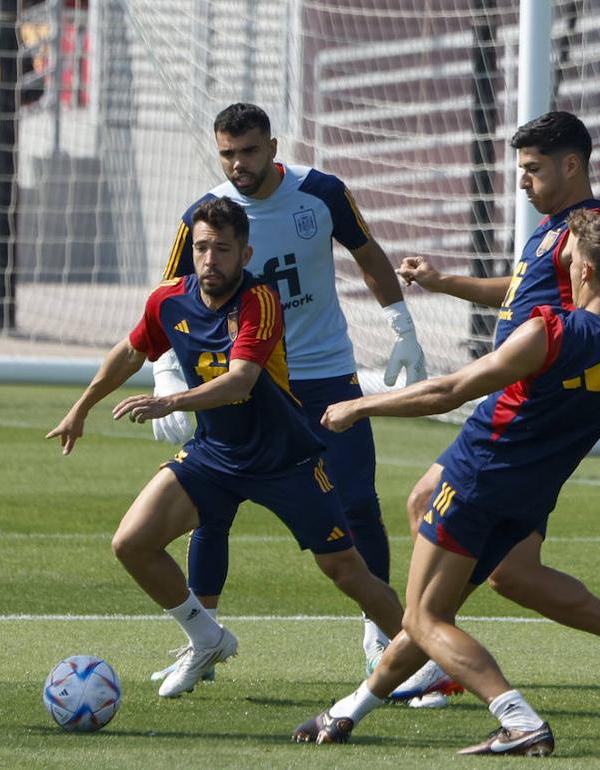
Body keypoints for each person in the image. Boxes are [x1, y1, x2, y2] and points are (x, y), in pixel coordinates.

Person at [291, 210, 600, 756]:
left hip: (474, 481)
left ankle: (517, 718)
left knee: (423, 616)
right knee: (434, 616)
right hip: (528, 501)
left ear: (581, 269)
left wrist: (358, 406)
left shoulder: (550, 330)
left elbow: (451, 390)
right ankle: (347, 712)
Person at [47, 197, 406, 699]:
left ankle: (421, 654)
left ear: (244, 252)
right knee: (132, 542)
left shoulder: (259, 301)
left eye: (221, 248)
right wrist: (81, 407)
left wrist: (171, 399)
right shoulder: (169, 299)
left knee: (344, 569)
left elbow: (241, 382)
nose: (209, 259)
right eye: (201, 248)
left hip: (286, 458)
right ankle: (206, 637)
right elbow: (131, 351)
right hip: (215, 455)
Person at [150, 102, 442, 698]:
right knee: (212, 510)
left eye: (250, 151)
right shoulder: (207, 217)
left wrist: (401, 326)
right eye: (228, 153)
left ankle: (381, 636)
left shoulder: (321, 194)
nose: (238, 164)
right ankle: (201, 640)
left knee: (358, 500)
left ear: (273, 146)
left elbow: (367, 254)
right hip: (245, 379)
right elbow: (168, 299)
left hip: (325, 375)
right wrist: (163, 375)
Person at [396, 110, 600, 717]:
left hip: (521, 417)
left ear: (571, 165)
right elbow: (520, 289)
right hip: (515, 412)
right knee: (509, 571)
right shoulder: (552, 232)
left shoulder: (589, 230)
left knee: (437, 512)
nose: (522, 181)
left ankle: (431, 656)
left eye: (532, 169)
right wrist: (446, 282)